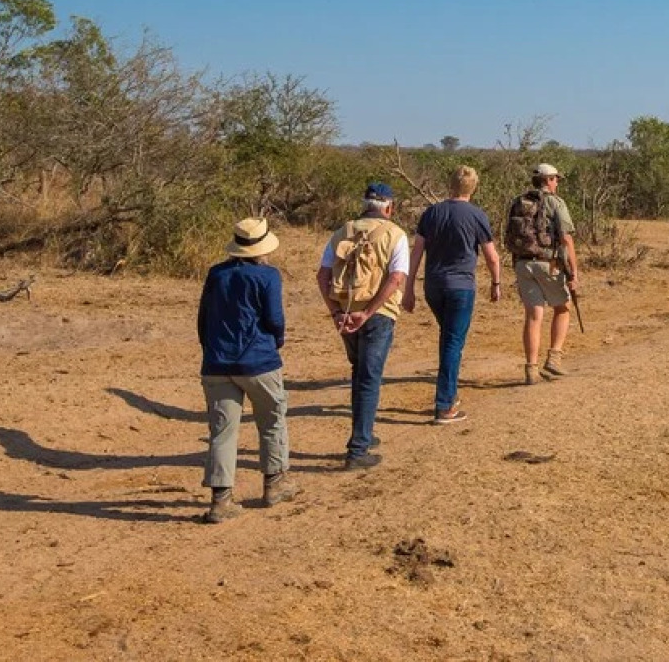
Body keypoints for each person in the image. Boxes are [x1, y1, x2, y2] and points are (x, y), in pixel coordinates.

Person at [198, 217, 297, 523]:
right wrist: (274, 343)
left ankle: (221, 500)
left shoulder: (216, 274)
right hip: (258, 361)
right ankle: (274, 483)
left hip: (216, 363)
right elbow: (275, 319)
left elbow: (203, 319)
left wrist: (212, 349)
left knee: (222, 433)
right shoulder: (268, 276)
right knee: (272, 420)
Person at [317, 182, 409, 469]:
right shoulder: (395, 234)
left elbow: (322, 276)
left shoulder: (342, 231)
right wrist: (368, 313)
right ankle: (358, 450)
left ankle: (363, 434)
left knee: (359, 373)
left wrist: (336, 313)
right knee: (370, 377)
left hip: (345, 312)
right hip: (378, 313)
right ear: (390, 207)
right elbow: (396, 279)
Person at [405, 165, 502, 424]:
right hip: (461, 287)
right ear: (474, 187)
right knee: (452, 343)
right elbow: (492, 256)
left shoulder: (431, 213)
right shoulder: (476, 215)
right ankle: (445, 404)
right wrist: (496, 282)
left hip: (433, 286)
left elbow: (416, 253)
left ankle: (449, 395)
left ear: (450, 185)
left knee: (449, 338)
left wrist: (409, 287)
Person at [504, 163, 580, 386]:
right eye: (556, 179)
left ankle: (531, 369)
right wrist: (574, 272)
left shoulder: (519, 201)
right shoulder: (556, 203)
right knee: (563, 307)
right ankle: (554, 358)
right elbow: (566, 238)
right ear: (548, 180)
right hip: (549, 263)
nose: (557, 183)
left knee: (534, 316)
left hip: (522, 264)